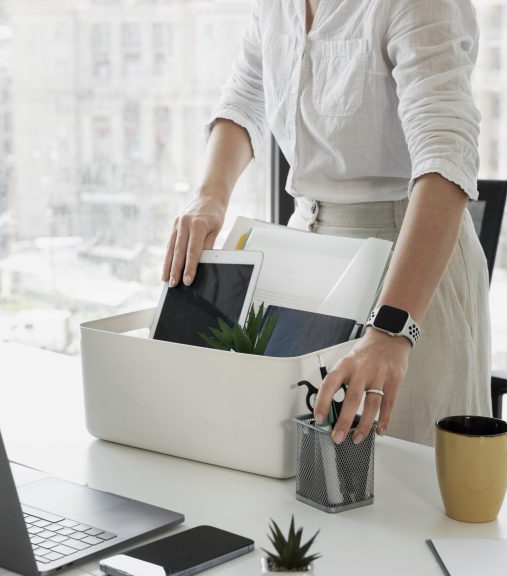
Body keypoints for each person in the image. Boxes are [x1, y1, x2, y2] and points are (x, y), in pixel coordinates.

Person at [162, 0, 490, 447]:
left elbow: (445, 154)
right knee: (306, 469)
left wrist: (393, 327)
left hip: (405, 268)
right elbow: (245, 97)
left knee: (405, 482)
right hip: (308, 255)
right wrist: (210, 196)